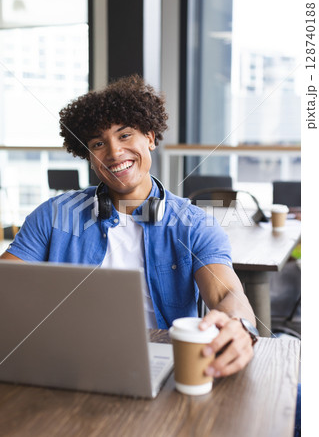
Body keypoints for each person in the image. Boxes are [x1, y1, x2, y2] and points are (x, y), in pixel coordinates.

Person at [0, 74, 257, 379]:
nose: (114, 152)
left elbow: (227, 295)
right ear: (89, 157)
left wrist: (238, 325)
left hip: (165, 364)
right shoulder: (53, 215)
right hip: (67, 360)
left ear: (149, 137)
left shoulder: (194, 224)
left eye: (125, 135)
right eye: (98, 143)